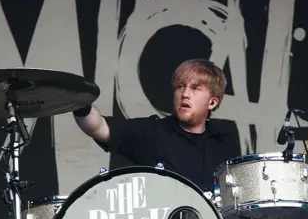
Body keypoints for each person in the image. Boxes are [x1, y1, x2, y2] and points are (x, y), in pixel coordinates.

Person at [72, 58, 241, 191]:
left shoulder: (224, 140)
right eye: (180, 86)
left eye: (196, 88)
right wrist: (79, 101)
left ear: (212, 102)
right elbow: (98, 127)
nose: (185, 94)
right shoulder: (153, 131)